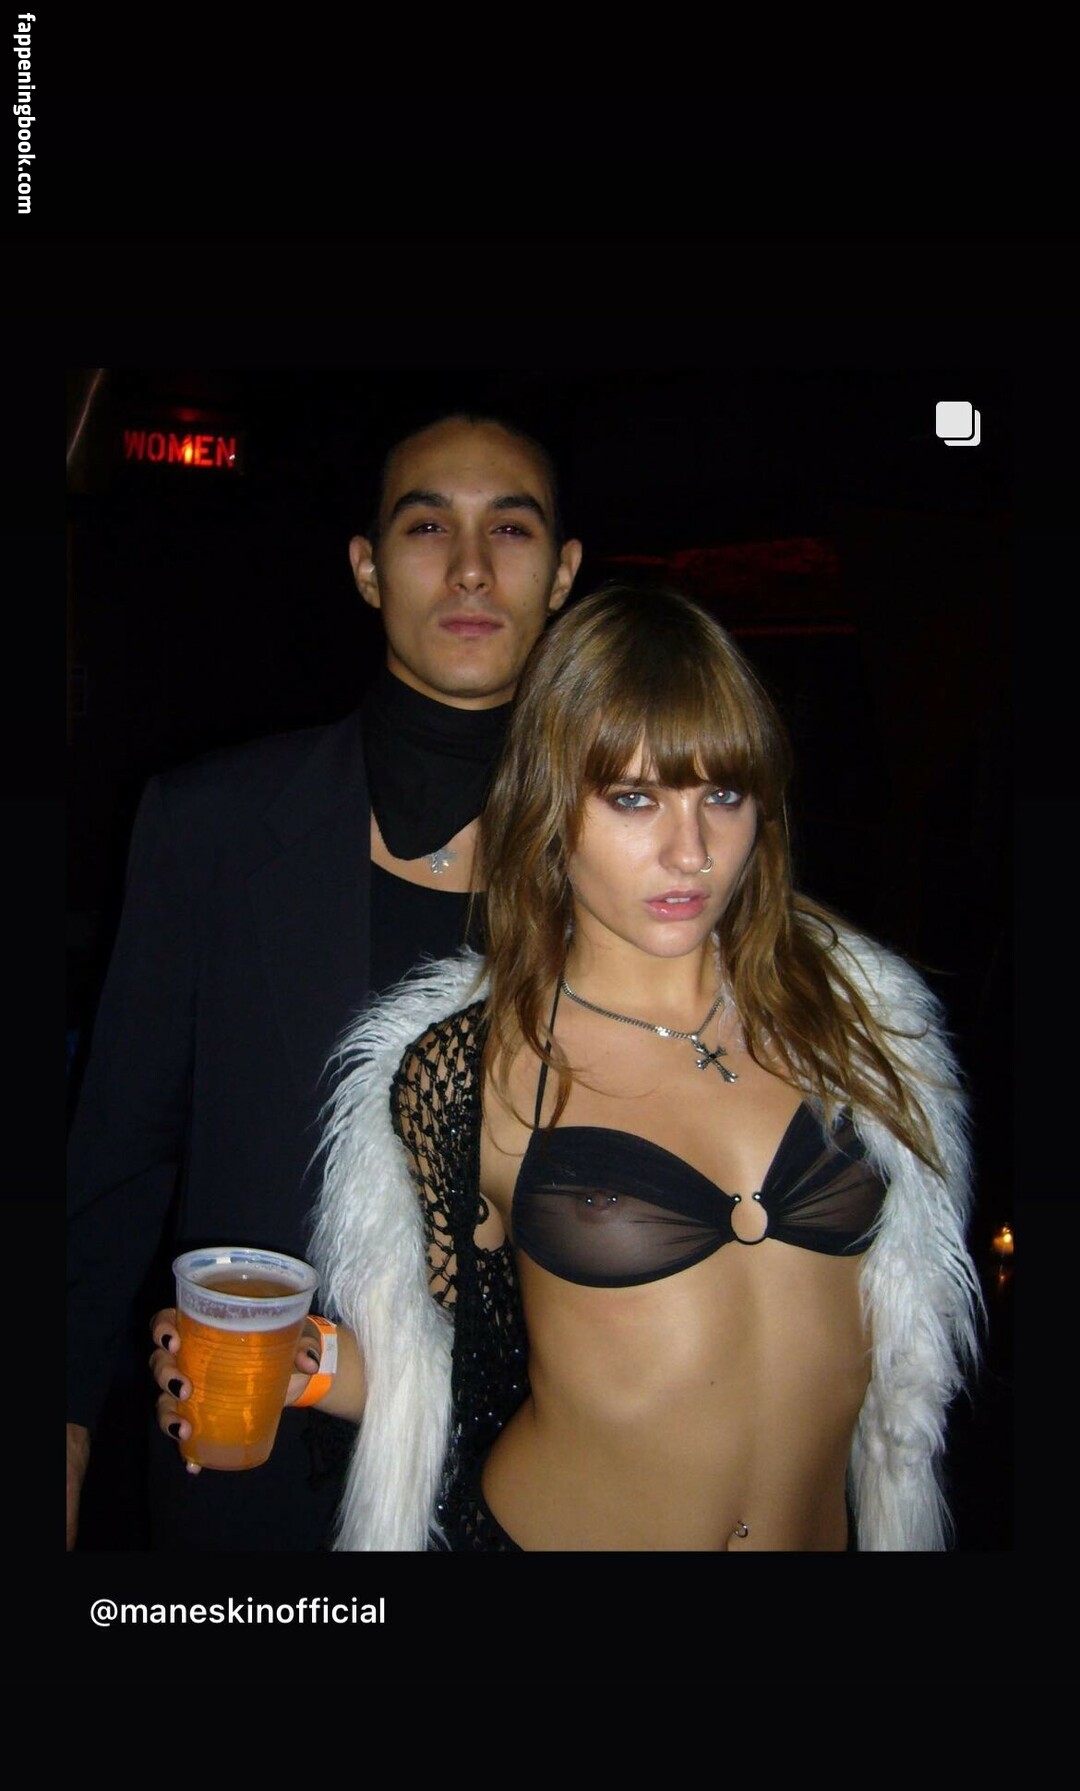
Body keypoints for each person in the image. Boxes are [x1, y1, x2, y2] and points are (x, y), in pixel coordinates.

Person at [152, 582, 985, 1552]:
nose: (690, 851)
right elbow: (460, 1373)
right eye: (634, 798)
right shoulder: (472, 1068)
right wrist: (308, 1363)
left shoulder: (853, 1025)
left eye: (722, 794)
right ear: (549, 804)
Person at [67, 406, 583, 1551]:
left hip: (526, 1485)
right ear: (365, 568)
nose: (469, 567)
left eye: (510, 529)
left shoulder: (623, 861)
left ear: (562, 574)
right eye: (424, 527)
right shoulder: (210, 824)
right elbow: (116, 1153)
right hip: (252, 1471)